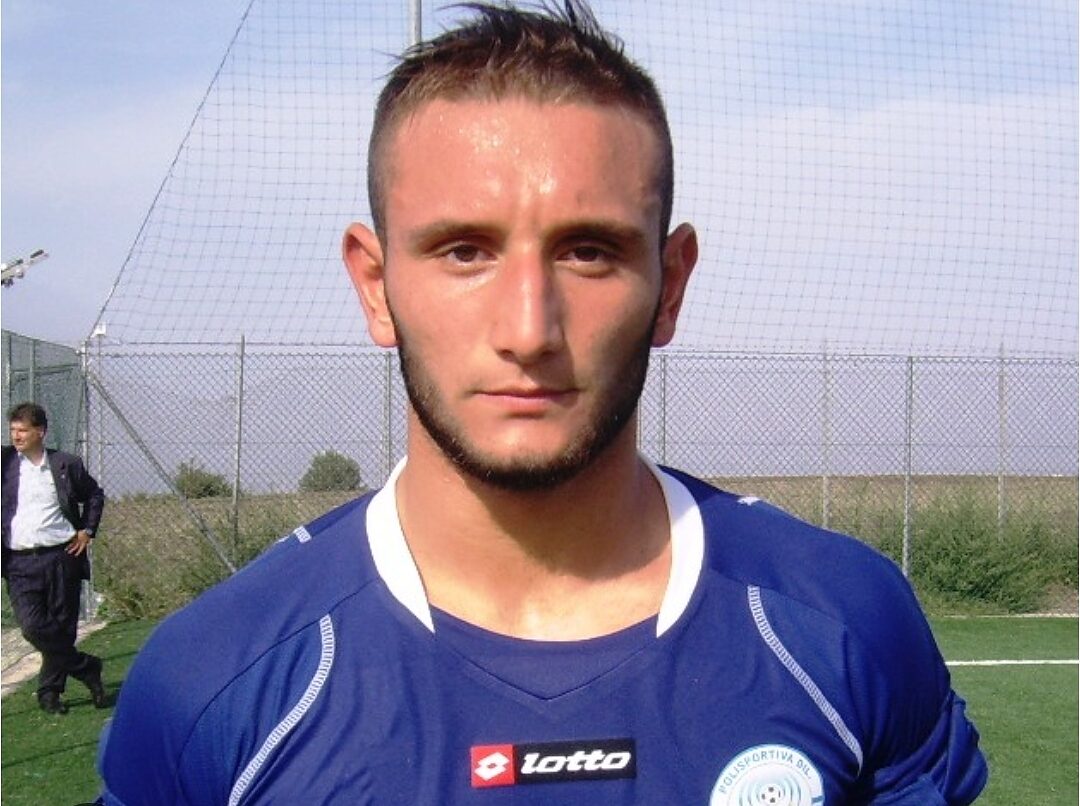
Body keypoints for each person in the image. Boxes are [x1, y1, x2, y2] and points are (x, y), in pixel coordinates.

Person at [97, 2, 987, 803]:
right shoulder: (213, 681)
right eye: (463, 251)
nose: (528, 329)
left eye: (589, 252)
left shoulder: (844, 625)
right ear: (375, 285)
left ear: (670, 285)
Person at [2, 402, 107, 714]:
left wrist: (87, 530)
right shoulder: (5, 462)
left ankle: (50, 692)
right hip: (19, 561)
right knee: (32, 626)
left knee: (62, 627)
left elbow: (94, 495)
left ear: (41, 432)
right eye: (12, 430)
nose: (16, 436)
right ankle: (86, 667)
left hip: (62, 555)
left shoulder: (65, 464)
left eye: (23, 430)